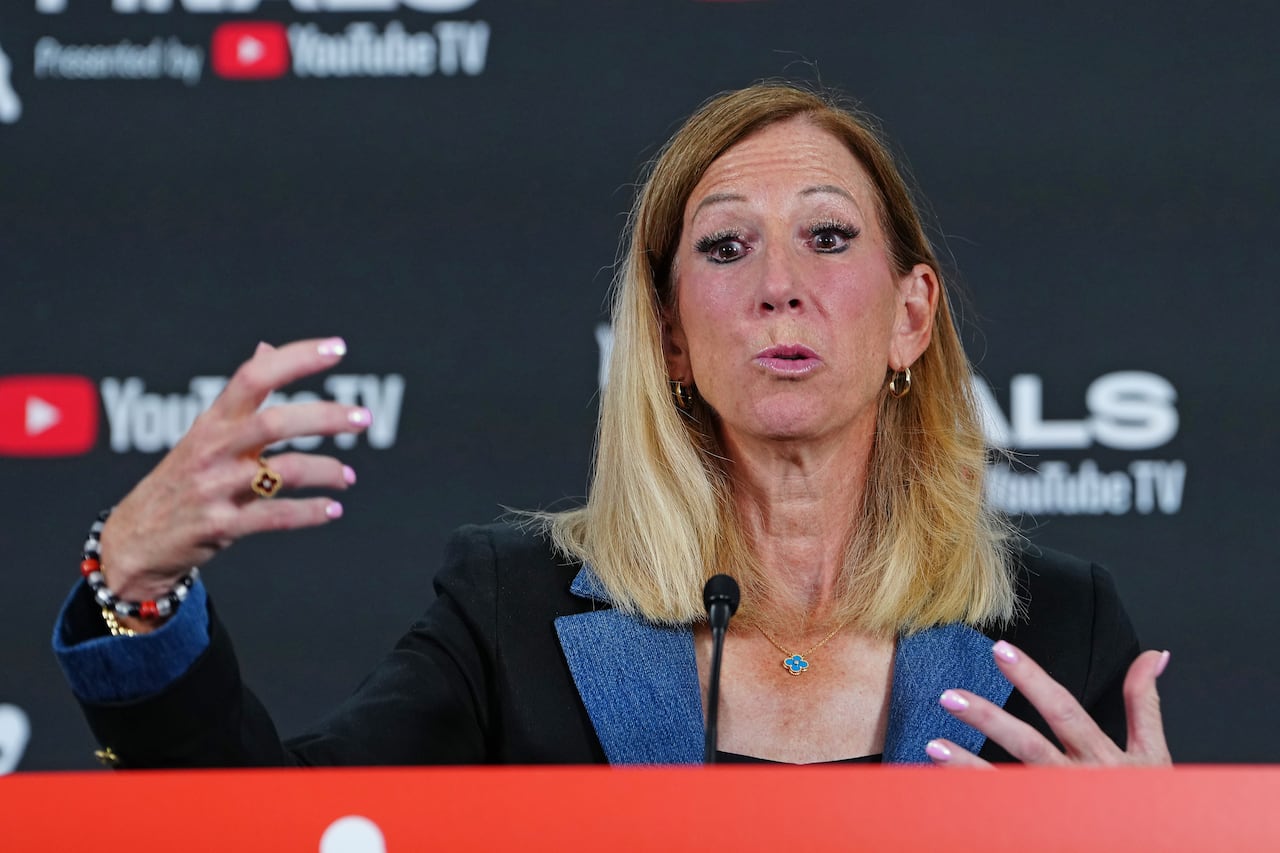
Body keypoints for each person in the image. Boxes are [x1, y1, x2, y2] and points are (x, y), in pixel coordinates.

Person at [54, 82, 1171, 768]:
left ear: (910, 316)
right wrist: (134, 590)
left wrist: (1156, 843)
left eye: (827, 238)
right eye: (724, 247)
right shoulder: (515, 610)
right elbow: (290, 826)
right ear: (672, 337)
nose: (778, 286)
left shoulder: (1060, 628)